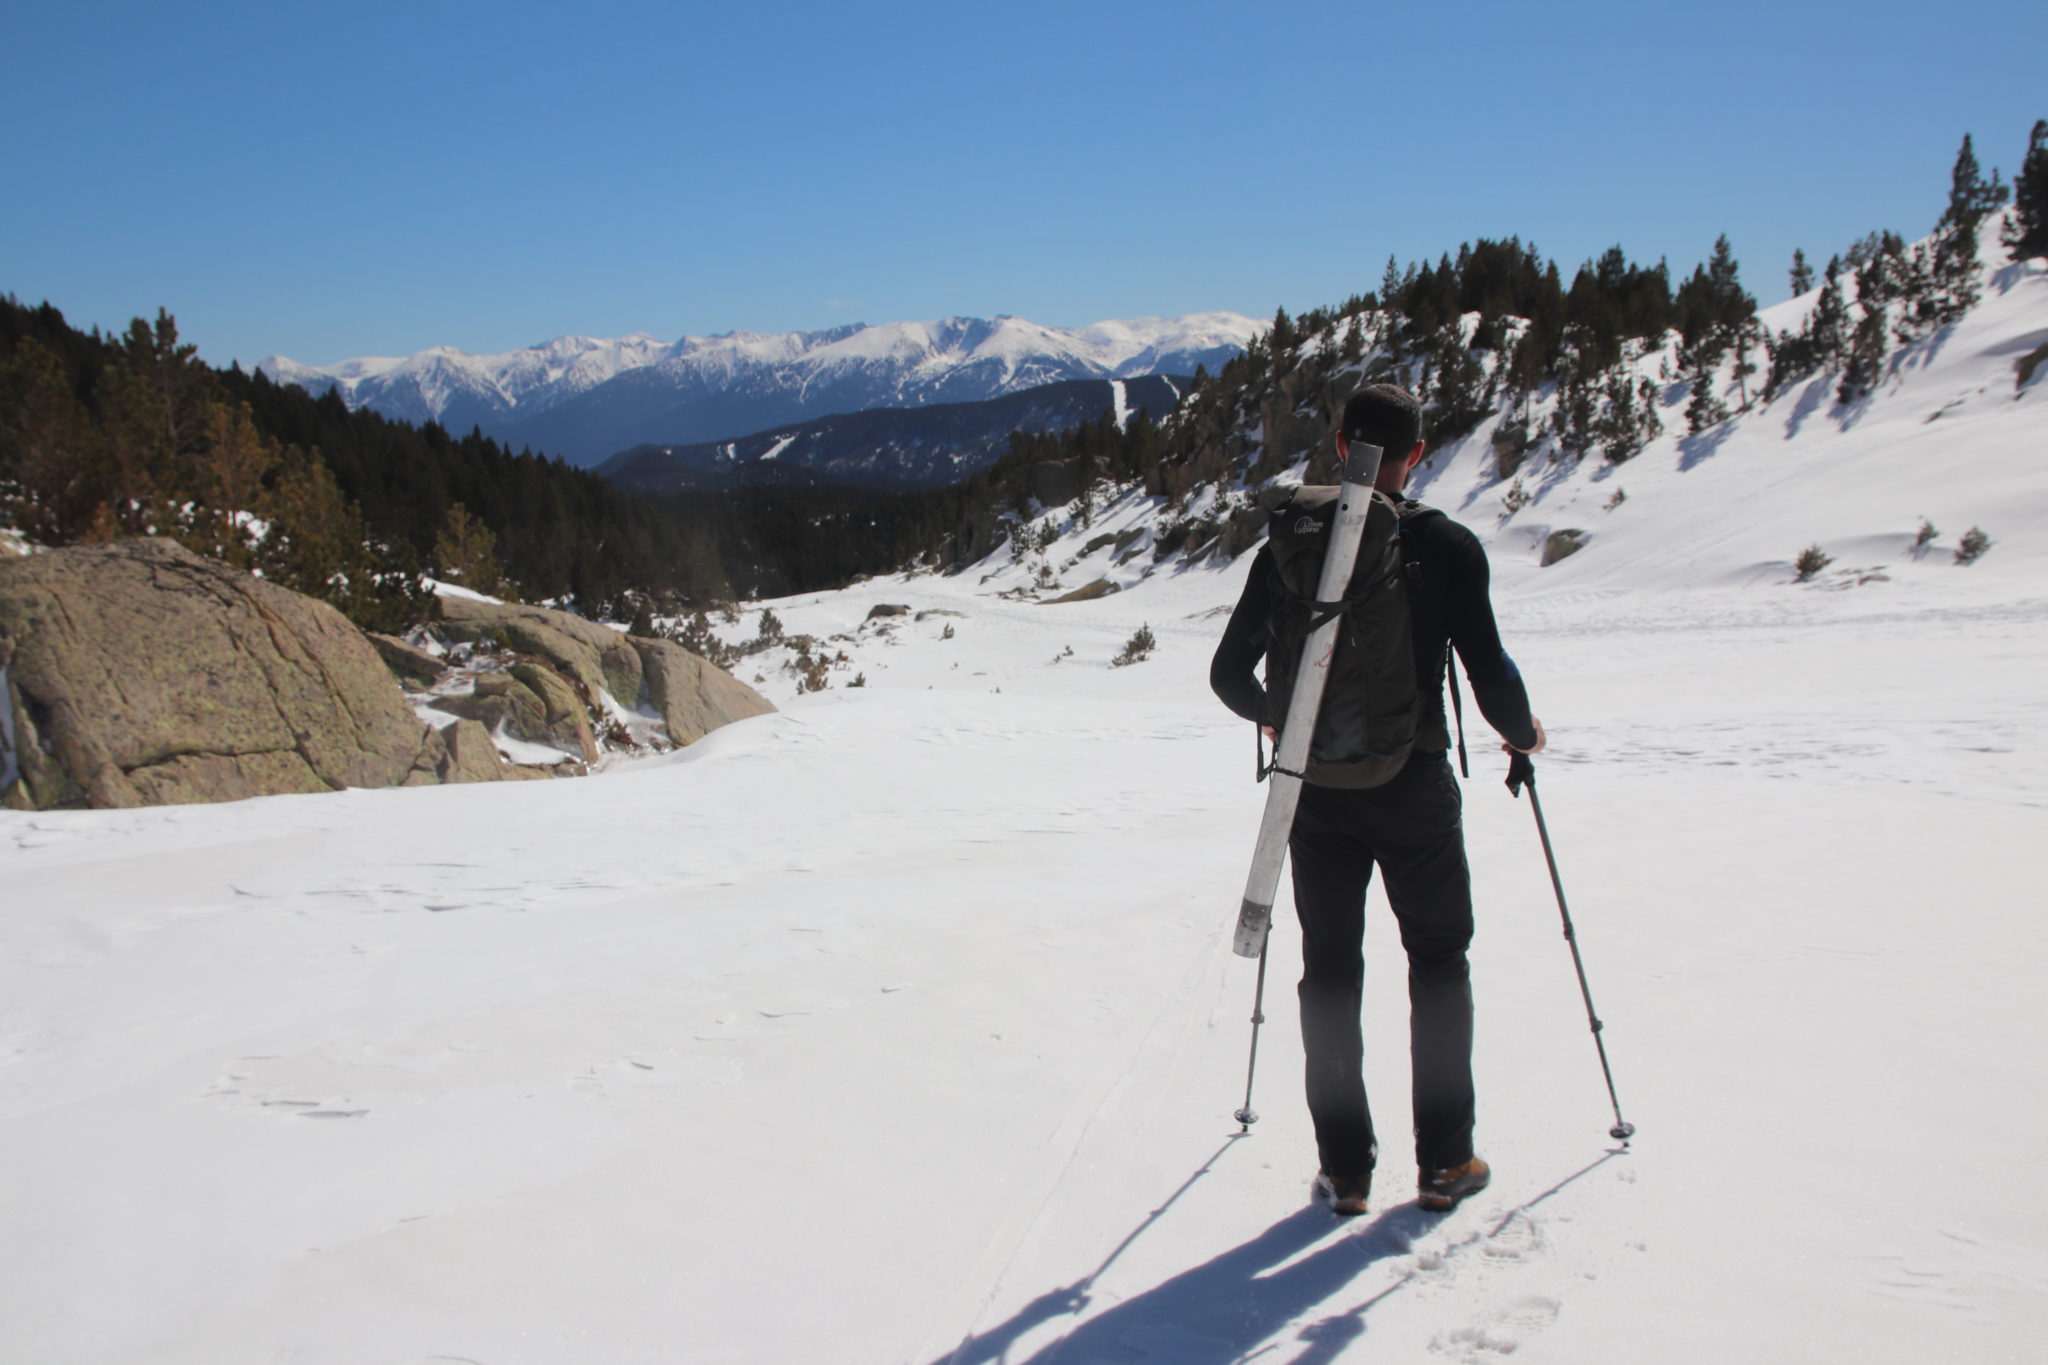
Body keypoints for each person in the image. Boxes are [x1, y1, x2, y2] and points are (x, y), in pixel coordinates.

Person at [1208, 383, 1544, 1217]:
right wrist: (1524, 733)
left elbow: (1226, 674)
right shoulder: (1448, 548)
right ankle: (1447, 1161)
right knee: (1437, 963)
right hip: (1415, 790)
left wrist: (1287, 719)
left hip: (1315, 796)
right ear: (1417, 455)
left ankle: (1347, 1171)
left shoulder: (1288, 547)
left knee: (1330, 972)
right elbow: (1489, 673)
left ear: (1336, 445)